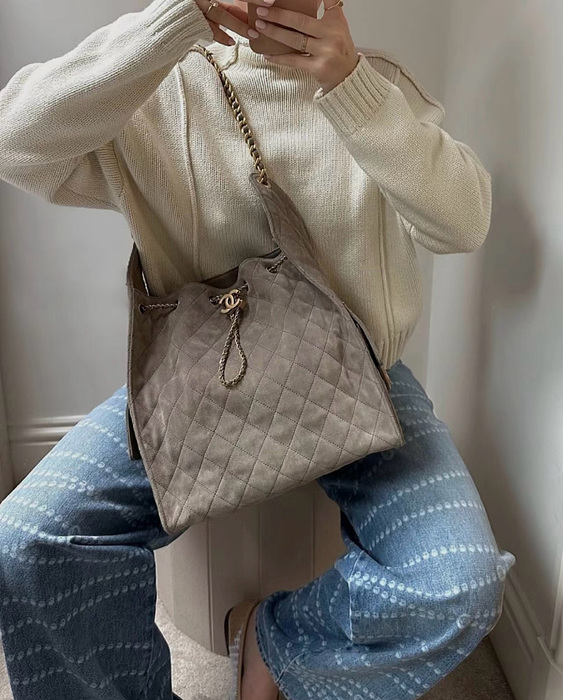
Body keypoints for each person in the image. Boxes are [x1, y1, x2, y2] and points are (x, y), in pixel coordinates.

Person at [0, 0, 516, 698]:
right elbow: (13, 142)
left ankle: (275, 645)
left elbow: (464, 223)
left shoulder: (376, 85)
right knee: (27, 539)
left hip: (362, 379)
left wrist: (350, 86)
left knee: (459, 584)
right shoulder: (156, 88)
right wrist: (177, 22)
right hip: (197, 382)